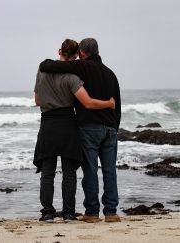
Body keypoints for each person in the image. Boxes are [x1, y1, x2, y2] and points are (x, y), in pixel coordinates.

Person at [39, 38, 121, 223]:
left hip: (89, 128)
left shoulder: (82, 67)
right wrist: (114, 128)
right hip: (110, 129)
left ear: (82, 54)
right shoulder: (111, 74)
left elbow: (51, 66)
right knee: (110, 171)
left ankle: (92, 213)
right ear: (98, 52)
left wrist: (43, 63)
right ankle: (111, 212)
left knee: (90, 171)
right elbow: (118, 104)